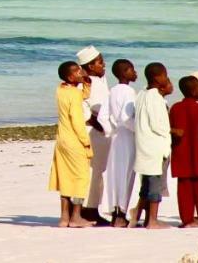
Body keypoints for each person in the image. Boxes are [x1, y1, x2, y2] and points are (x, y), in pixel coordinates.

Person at [48, 60, 93, 228]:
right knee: (81, 177)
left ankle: (64, 217)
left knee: (65, 176)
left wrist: (86, 84)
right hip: (74, 139)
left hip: (62, 139)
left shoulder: (61, 90)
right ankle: (76, 216)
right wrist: (86, 142)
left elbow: (82, 96)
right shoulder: (73, 93)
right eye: (77, 72)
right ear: (69, 76)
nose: (81, 73)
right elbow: (77, 120)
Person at [170, 75, 198, 227]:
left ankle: (187, 220)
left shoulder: (175, 108)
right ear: (195, 90)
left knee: (184, 188)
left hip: (181, 153)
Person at [132, 61, 174, 229]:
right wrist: (172, 131)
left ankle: (140, 215)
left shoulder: (142, 94)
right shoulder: (155, 97)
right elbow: (158, 124)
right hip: (155, 146)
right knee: (155, 185)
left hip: (144, 145)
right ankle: (152, 220)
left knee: (147, 184)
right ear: (157, 78)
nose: (167, 78)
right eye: (165, 75)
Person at [75, 45, 112, 225]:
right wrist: (98, 125)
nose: (103, 65)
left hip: (102, 132)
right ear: (90, 66)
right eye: (100, 62)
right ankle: (89, 210)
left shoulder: (100, 80)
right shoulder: (86, 82)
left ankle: (93, 208)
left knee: (99, 172)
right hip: (93, 132)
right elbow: (84, 110)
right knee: (93, 172)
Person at [102, 58, 138, 227]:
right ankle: (121, 214)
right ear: (124, 73)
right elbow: (126, 117)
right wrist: (138, 129)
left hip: (116, 137)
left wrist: (110, 130)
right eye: (132, 69)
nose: (135, 72)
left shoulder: (111, 90)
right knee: (127, 174)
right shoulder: (129, 91)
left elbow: (103, 116)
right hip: (127, 136)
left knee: (115, 175)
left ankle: (115, 212)